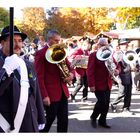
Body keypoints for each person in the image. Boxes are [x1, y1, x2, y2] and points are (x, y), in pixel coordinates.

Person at [0, 26, 46, 133]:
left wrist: (41, 116)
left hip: (31, 121)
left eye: (20, 41)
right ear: (2, 43)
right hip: (7, 125)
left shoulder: (28, 64)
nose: (18, 45)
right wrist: (5, 71)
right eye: (13, 41)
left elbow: (36, 91)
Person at [34, 30, 74, 132]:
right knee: (48, 120)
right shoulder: (40, 54)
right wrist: (44, 95)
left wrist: (71, 74)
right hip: (50, 94)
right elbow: (39, 77)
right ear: (50, 39)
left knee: (64, 120)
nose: (58, 43)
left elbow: (69, 66)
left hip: (63, 92)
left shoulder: (60, 50)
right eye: (56, 40)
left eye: (59, 40)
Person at [87, 38, 120, 129]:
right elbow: (90, 71)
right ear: (98, 45)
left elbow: (116, 65)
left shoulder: (109, 54)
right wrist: (91, 85)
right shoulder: (93, 55)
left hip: (108, 83)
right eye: (102, 45)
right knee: (102, 102)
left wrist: (117, 70)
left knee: (106, 103)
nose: (104, 46)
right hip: (98, 83)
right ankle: (93, 116)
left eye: (106, 45)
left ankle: (102, 120)